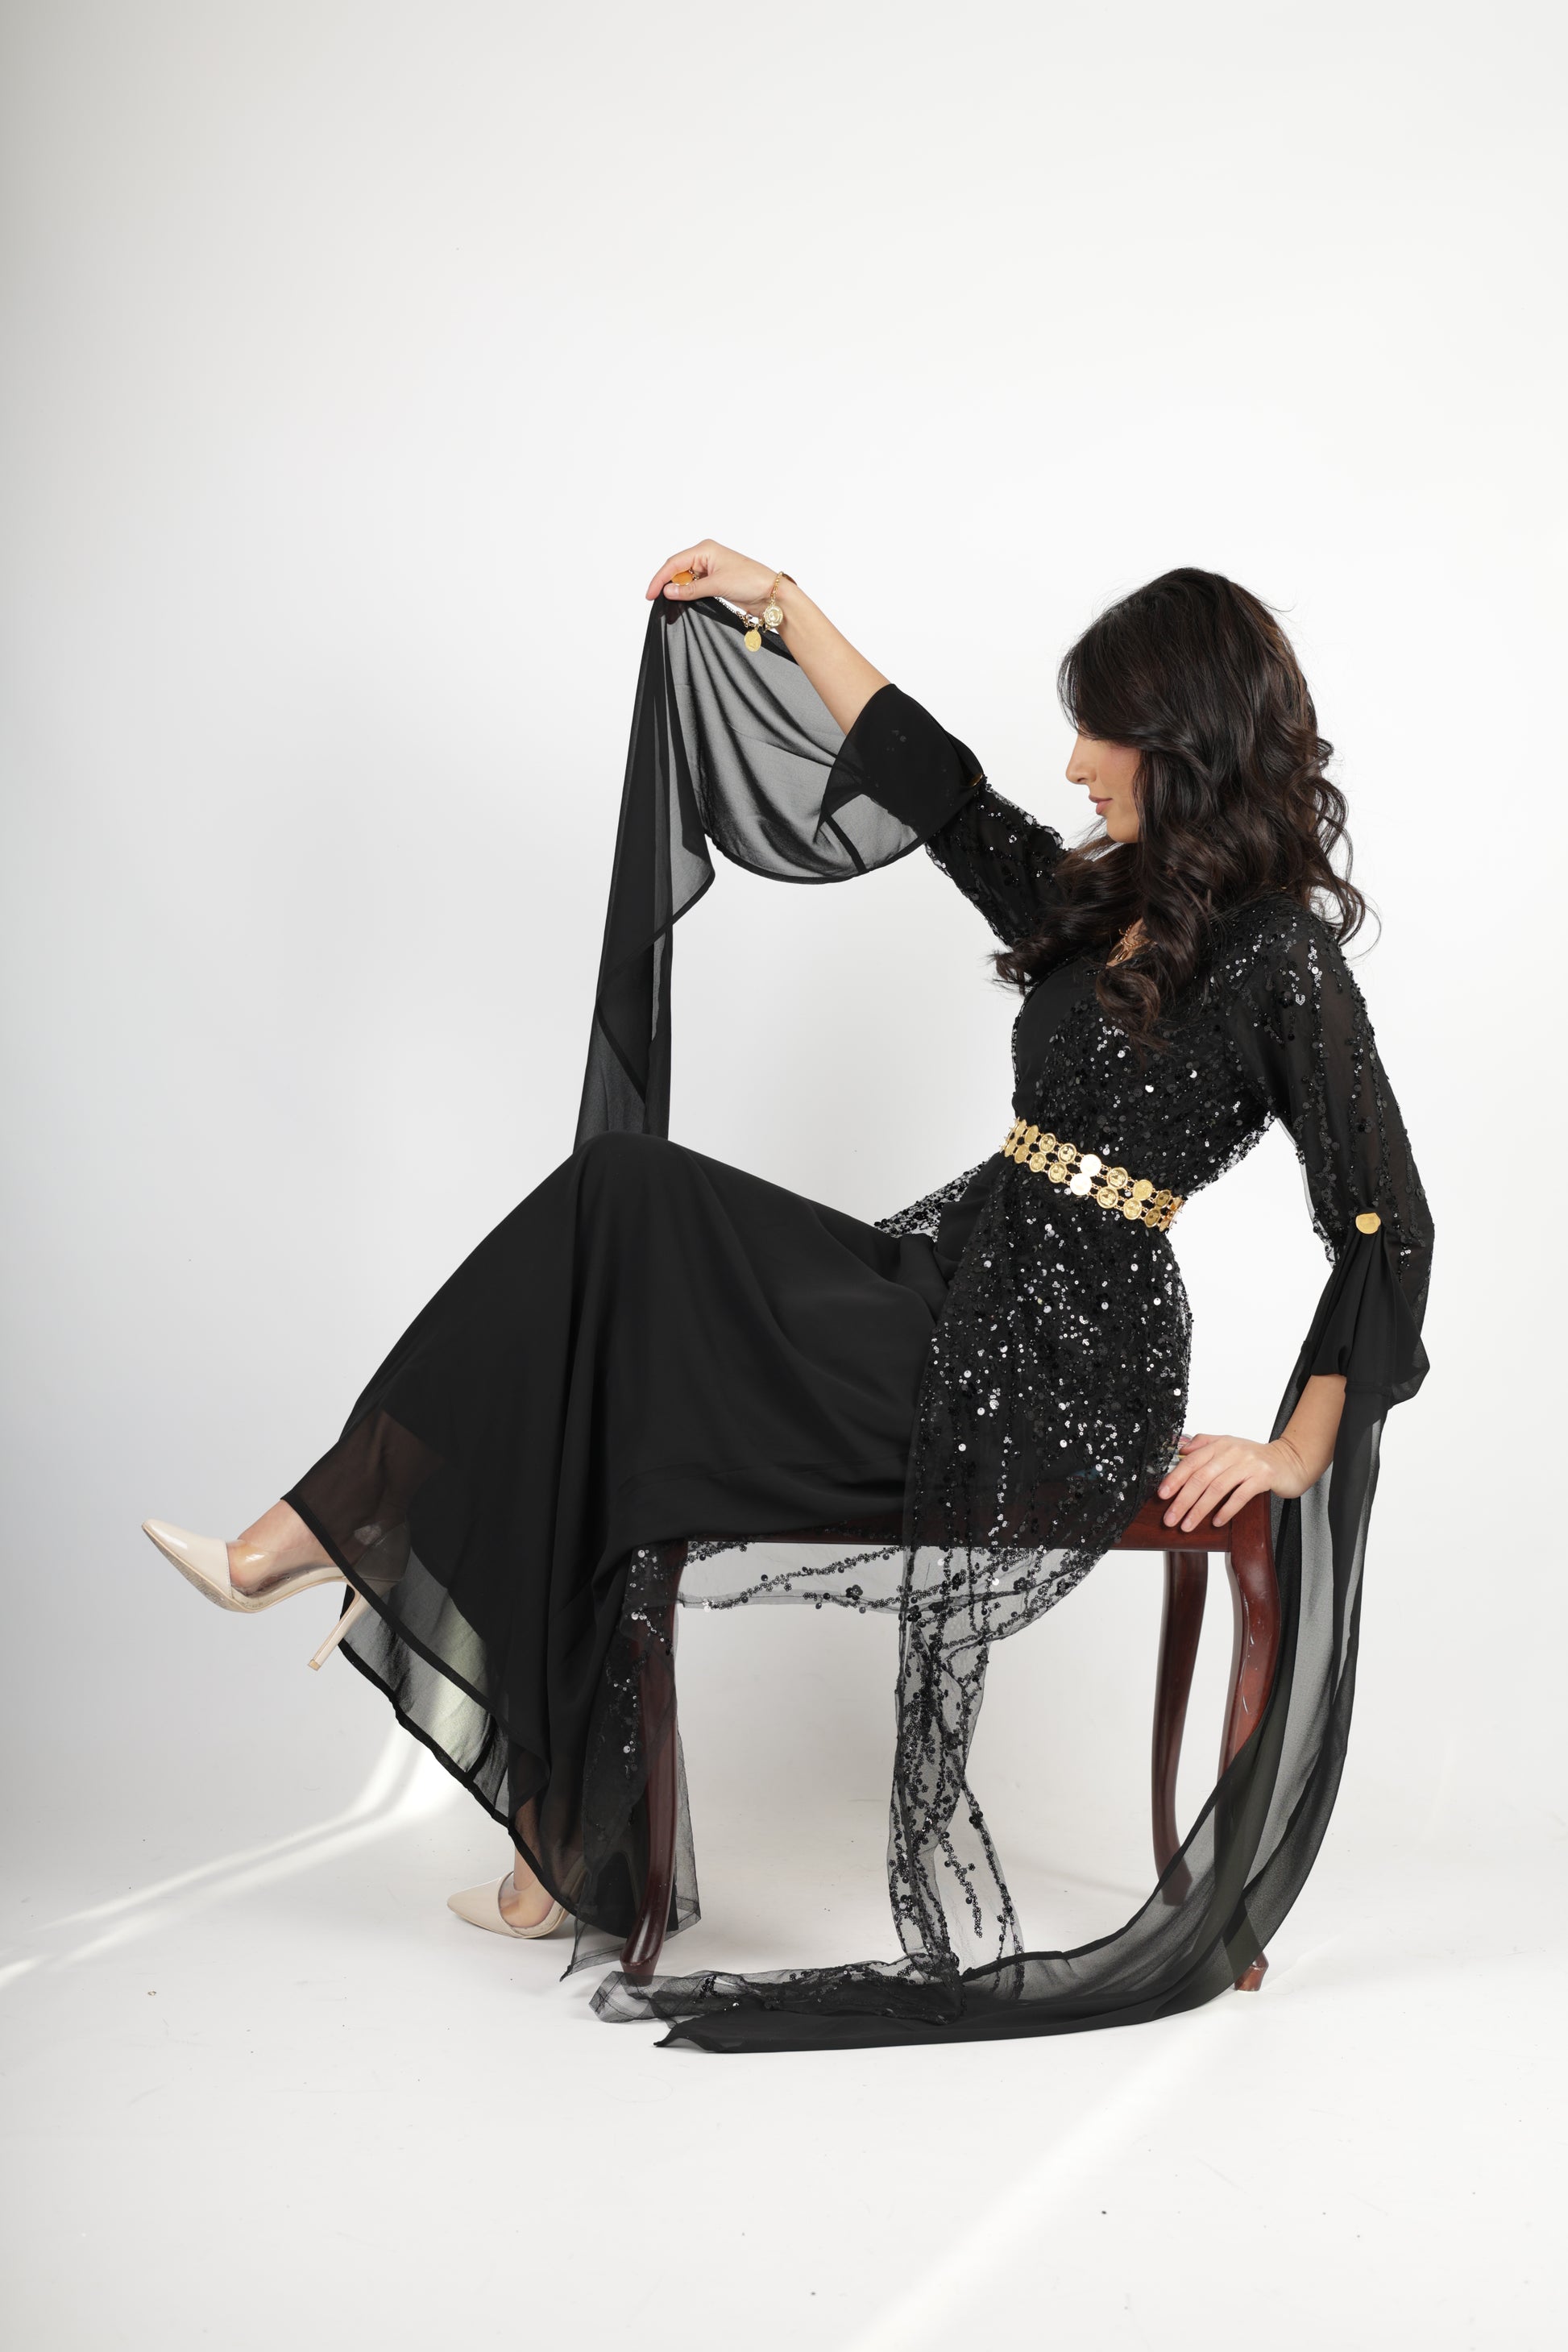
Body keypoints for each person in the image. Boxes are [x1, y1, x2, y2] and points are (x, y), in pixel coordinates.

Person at [143, 547, 1432, 2051]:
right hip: (952, 1279)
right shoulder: (1101, 902)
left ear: (1185, 738)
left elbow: (1384, 1223)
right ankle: (533, 1798)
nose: (1077, 764)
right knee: (622, 1212)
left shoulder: (1279, 958)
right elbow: (937, 790)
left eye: (1101, 733)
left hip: (1065, 1364)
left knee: (627, 1224)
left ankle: (343, 1549)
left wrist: (1291, 1450)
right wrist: (785, 608)